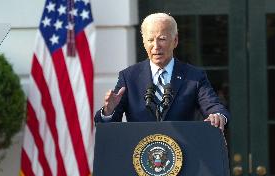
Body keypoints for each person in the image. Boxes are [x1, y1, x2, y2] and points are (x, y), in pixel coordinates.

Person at [94, 13, 230, 130]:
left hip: (182, 154)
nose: (156, 46)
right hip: (140, 155)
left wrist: (218, 116)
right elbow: (107, 123)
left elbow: (214, 106)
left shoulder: (193, 76)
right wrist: (109, 111)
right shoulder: (129, 77)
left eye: (162, 39)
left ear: (175, 40)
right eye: (150, 40)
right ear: (144, 42)